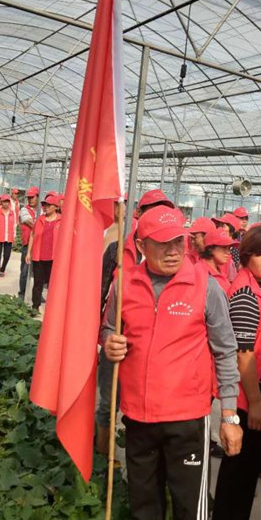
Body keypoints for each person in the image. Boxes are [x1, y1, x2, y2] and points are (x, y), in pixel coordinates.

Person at [103, 206, 242, 520]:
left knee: (190, 510)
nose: (173, 251)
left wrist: (229, 416)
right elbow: (109, 328)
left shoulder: (206, 286)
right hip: (138, 418)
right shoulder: (124, 284)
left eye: (178, 241)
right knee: (143, 509)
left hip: (187, 420)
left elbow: (225, 351)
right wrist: (110, 342)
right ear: (141, 245)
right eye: (162, 243)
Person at [212, 225, 261, 520]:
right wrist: (256, 402)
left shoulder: (260, 285)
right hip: (250, 395)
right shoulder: (246, 295)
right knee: (239, 472)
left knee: (245, 471)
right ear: (246, 255)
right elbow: (243, 355)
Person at [96, 189, 174, 456]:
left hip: (154, 347)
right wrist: (99, 337)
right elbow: (100, 293)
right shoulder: (118, 250)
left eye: (164, 210)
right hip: (117, 340)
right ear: (138, 214)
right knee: (108, 403)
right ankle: (103, 457)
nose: (158, 215)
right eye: (152, 209)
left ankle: (141, 462)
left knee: (146, 406)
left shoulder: (174, 256)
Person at [25, 193, 61, 315]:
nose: (46, 207)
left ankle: (52, 309)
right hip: (39, 256)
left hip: (54, 258)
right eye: (45, 205)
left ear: (56, 207)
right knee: (38, 283)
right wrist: (29, 253)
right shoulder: (39, 220)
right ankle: (35, 306)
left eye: (49, 205)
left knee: (53, 284)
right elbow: (32, 235)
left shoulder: (61, 220)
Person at [197, 227, 237, 293]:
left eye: (228, 248)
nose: (228, 252)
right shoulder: (200, 272)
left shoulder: (219, 270)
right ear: (210, 249)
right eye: (224, 247)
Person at [18, 186, 40, 300]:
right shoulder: (24, 210)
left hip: (40, 244)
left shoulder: (42, 210)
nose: (30, 200)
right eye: (29, 198)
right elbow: (30, 222)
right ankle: (22, 293)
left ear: (38, 197)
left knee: (39, 272)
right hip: (27, 244)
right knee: (25, 271)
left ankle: (38, 294)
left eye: (32, 197)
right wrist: (42, 224)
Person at [0, 194, 16, 281]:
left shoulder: (12, 213)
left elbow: (14, 225)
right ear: (1, 203)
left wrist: (14, 236)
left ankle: (3, 268)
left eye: (7, 201)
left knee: (7, 255)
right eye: (4, 202)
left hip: (9, 237)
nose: (6, 203)